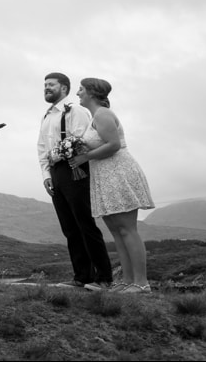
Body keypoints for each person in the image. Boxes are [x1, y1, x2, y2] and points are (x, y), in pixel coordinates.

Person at [69, 78, 155, 294]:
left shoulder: (103, 114)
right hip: (104, 174)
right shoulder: (94, 117)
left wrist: (84, 157)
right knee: (117, 232)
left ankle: (141, 283)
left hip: (117, 172)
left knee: (127, 229)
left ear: (91, 93)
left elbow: (114, 145)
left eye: (81, 89)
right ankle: (127, 281)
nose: (78, 93)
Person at [37, 71, 113, 290]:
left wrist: (60, 155)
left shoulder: (76, 110)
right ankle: (82, 277)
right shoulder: (46, 116)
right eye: (44, 85)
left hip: (76, 168)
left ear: (64, 88)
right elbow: (41, 147)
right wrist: (46, 175)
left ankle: (104, 278)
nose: (46, 88)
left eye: (51, 85)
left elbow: (81, 141)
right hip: (56, 174)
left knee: (85, 224)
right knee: (69, 228)